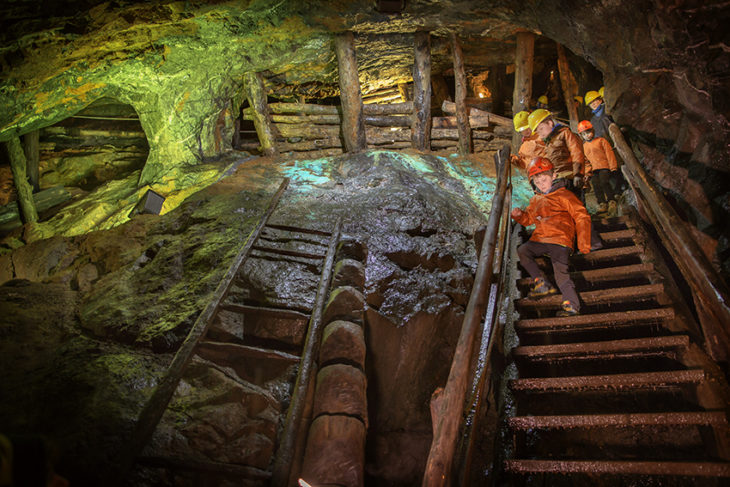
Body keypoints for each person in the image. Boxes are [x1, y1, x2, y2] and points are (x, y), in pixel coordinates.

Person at [511, 157, 592, 317]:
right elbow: (528, 220)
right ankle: (541, 283)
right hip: (541, 239)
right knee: (523, 250)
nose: (541, 184)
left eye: (544, 179)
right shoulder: (536, 200)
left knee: (561, 273)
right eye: (537, 181)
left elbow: (581, 216)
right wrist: (520, 216)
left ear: (554, 176)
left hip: (560, 240)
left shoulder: (564, 195)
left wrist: (583, 243)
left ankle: (572, 305)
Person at [527, 108, 586, 197]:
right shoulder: (548, 143)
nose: (540, 134)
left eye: (541, 129)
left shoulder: (565, 134)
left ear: (550, 123)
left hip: (568, 178)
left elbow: (576, 152)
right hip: (557, 178)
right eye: (538, 132)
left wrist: (578, 174)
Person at [578, 120, 618, 216]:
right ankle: (602, 203)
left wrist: (613, 167)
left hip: (604, 167)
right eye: (584, 134)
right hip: (594, 170)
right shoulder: (584, 147)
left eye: (588, 132)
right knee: (596, 185)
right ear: (581, 136)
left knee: (605, 182)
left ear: (593, 131)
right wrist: (587, 173)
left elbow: (609, 154)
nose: (587, 135)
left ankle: (611, 200)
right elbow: (586, 162)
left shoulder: (601, 141)